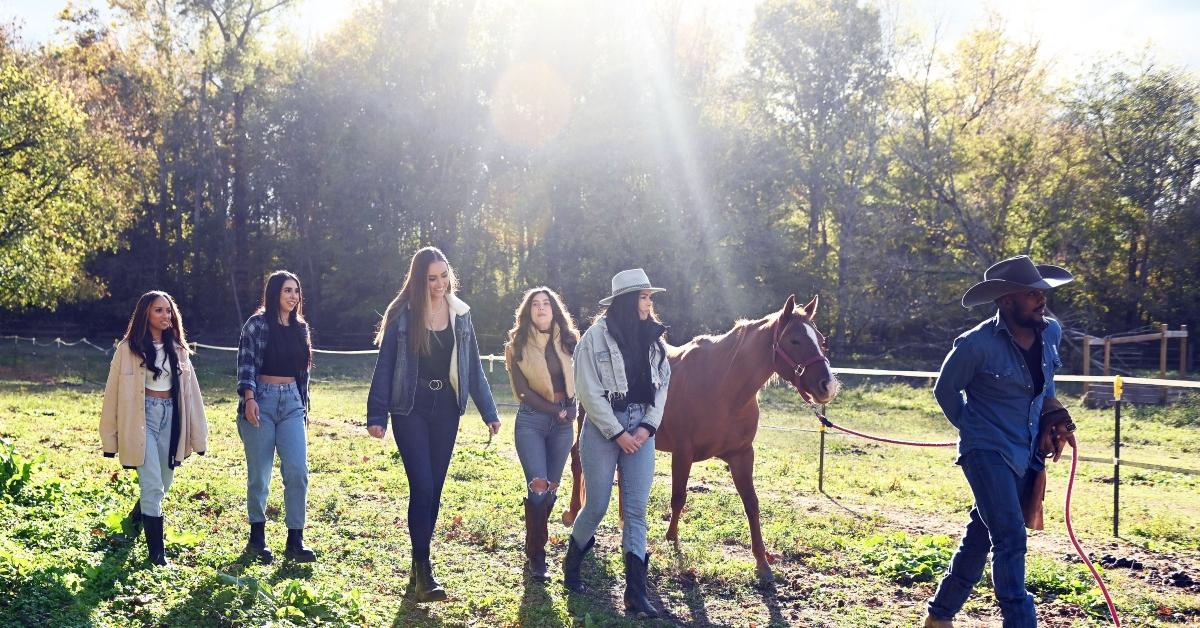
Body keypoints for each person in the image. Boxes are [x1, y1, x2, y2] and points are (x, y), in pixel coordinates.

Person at [924, 255, 1078, 628]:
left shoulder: (1051, 332)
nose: (1042, 300)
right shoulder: (975, 345)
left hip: (1026, 451)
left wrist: (1053, 415)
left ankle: (939, 617)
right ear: (1008, 302)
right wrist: (973, 429)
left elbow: (1046, 384)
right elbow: (945, 390)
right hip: (986, 452)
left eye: (1042, 293)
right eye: (1032, 294)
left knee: (982, 532)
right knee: (1010, 537)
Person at [366, 246, 501, 602]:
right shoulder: (403, 315)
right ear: (419, 279)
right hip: (409, 407)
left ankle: (417, 569)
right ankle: (424, 569)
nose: (440, 284)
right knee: (422, 486)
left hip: (445, 408)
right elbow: (385, 365)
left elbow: (471, 368)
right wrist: (376, 414)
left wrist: (489, 412)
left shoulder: (461, 315)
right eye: (432, 278)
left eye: (444, 276)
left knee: (435, 491)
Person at [563, 268, 670, 619]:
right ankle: (572, 565)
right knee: (597, 505)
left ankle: (636, 594)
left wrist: (646, 428)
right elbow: (588, 391)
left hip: (640, 428)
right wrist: (617, 433)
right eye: (644, 296)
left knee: (637, 510)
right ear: (627, 300)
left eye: (649, 297)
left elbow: (662, 386)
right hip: (602, 427)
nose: (649, 302)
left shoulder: (655, 338)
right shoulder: (594, 338)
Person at [100, 291, 208, 566]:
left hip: (171, 418)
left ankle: (137, 518)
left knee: (163, 482)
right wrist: (110, 438)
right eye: (159, 310)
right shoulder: (127, 349)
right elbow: (112, 394)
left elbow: (192, 394)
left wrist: (199, 435)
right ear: (146, 313)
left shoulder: (179, 349)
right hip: (141, 418)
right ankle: (157, 556)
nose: (165, 316)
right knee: (152, 484)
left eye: (169, 311)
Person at [236, 270, 316, 564]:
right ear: (274, 294)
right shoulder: (256, 325)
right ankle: (257, 538)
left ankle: (295, 539)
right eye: (287, 291)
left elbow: (303, 374)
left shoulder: (301, 328)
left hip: (293, 402)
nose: (293, 296)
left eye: (296, 291)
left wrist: (304, 408)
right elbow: (245, 364)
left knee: (298, 470)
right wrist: (249, 398)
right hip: (262, 400)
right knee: (260, 474)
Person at [503, 287, 581, 582]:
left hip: (564, 422)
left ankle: (533, 541)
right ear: (528, 311)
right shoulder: (518, 345)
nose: (541, 308)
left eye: (546, 303)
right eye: (535, 304)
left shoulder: (572, 341)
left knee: (550, 489)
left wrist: (573, 406)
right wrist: (554, 409)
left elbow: (585, 378)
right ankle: (537, 555)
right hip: (533, 420)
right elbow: (521, 390)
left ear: (554, 308)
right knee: (537, 486)